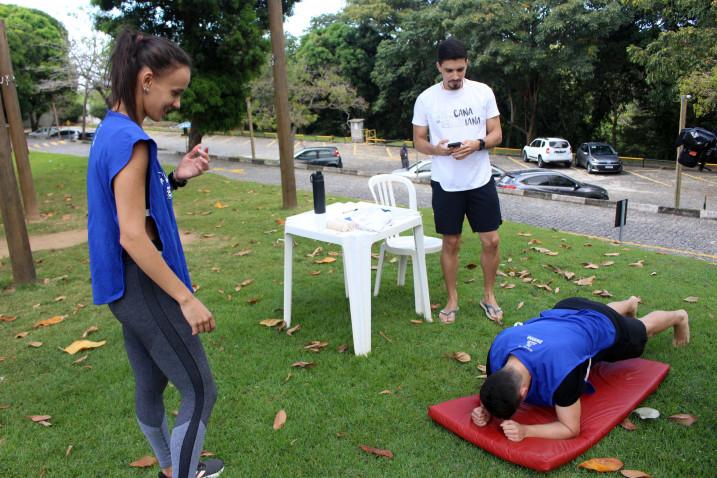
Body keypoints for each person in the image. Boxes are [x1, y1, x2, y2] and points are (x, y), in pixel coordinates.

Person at [87, 30, 223, 478]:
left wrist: (177, 178)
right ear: (147, 80)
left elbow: (135, 210)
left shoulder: (112, 130)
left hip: (123, 291)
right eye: (174, 91)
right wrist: (185, 298)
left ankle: (169, 466)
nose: (177, 103)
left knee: (151, 384)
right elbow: (133, 236)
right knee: (201, 390)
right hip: (145, 284)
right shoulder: (132, 142)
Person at [471, 296, 690, 441]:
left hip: (598, 324)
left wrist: (526, 431)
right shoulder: (498, 349)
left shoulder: (563, 371)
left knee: (643, 329)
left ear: (524, 394)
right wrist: (485, 409)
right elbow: (491, 389)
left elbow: (570, 428)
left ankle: (679, 316)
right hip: (566, 308)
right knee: (597, 315)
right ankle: (629, 303)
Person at [412, 37, 503, 325]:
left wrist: (477, 143)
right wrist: (436, 150)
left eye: (460, 70)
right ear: (439, 67)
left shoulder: (483, 92)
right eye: (449, 70)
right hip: (446, 182)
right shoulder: (426, 99)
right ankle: (452, 300)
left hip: (480, 179)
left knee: (492, 240)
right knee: (450, 242)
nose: (455, 77)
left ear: (467, 65)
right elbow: (418, 140)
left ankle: (489, 296)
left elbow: (496, 135)